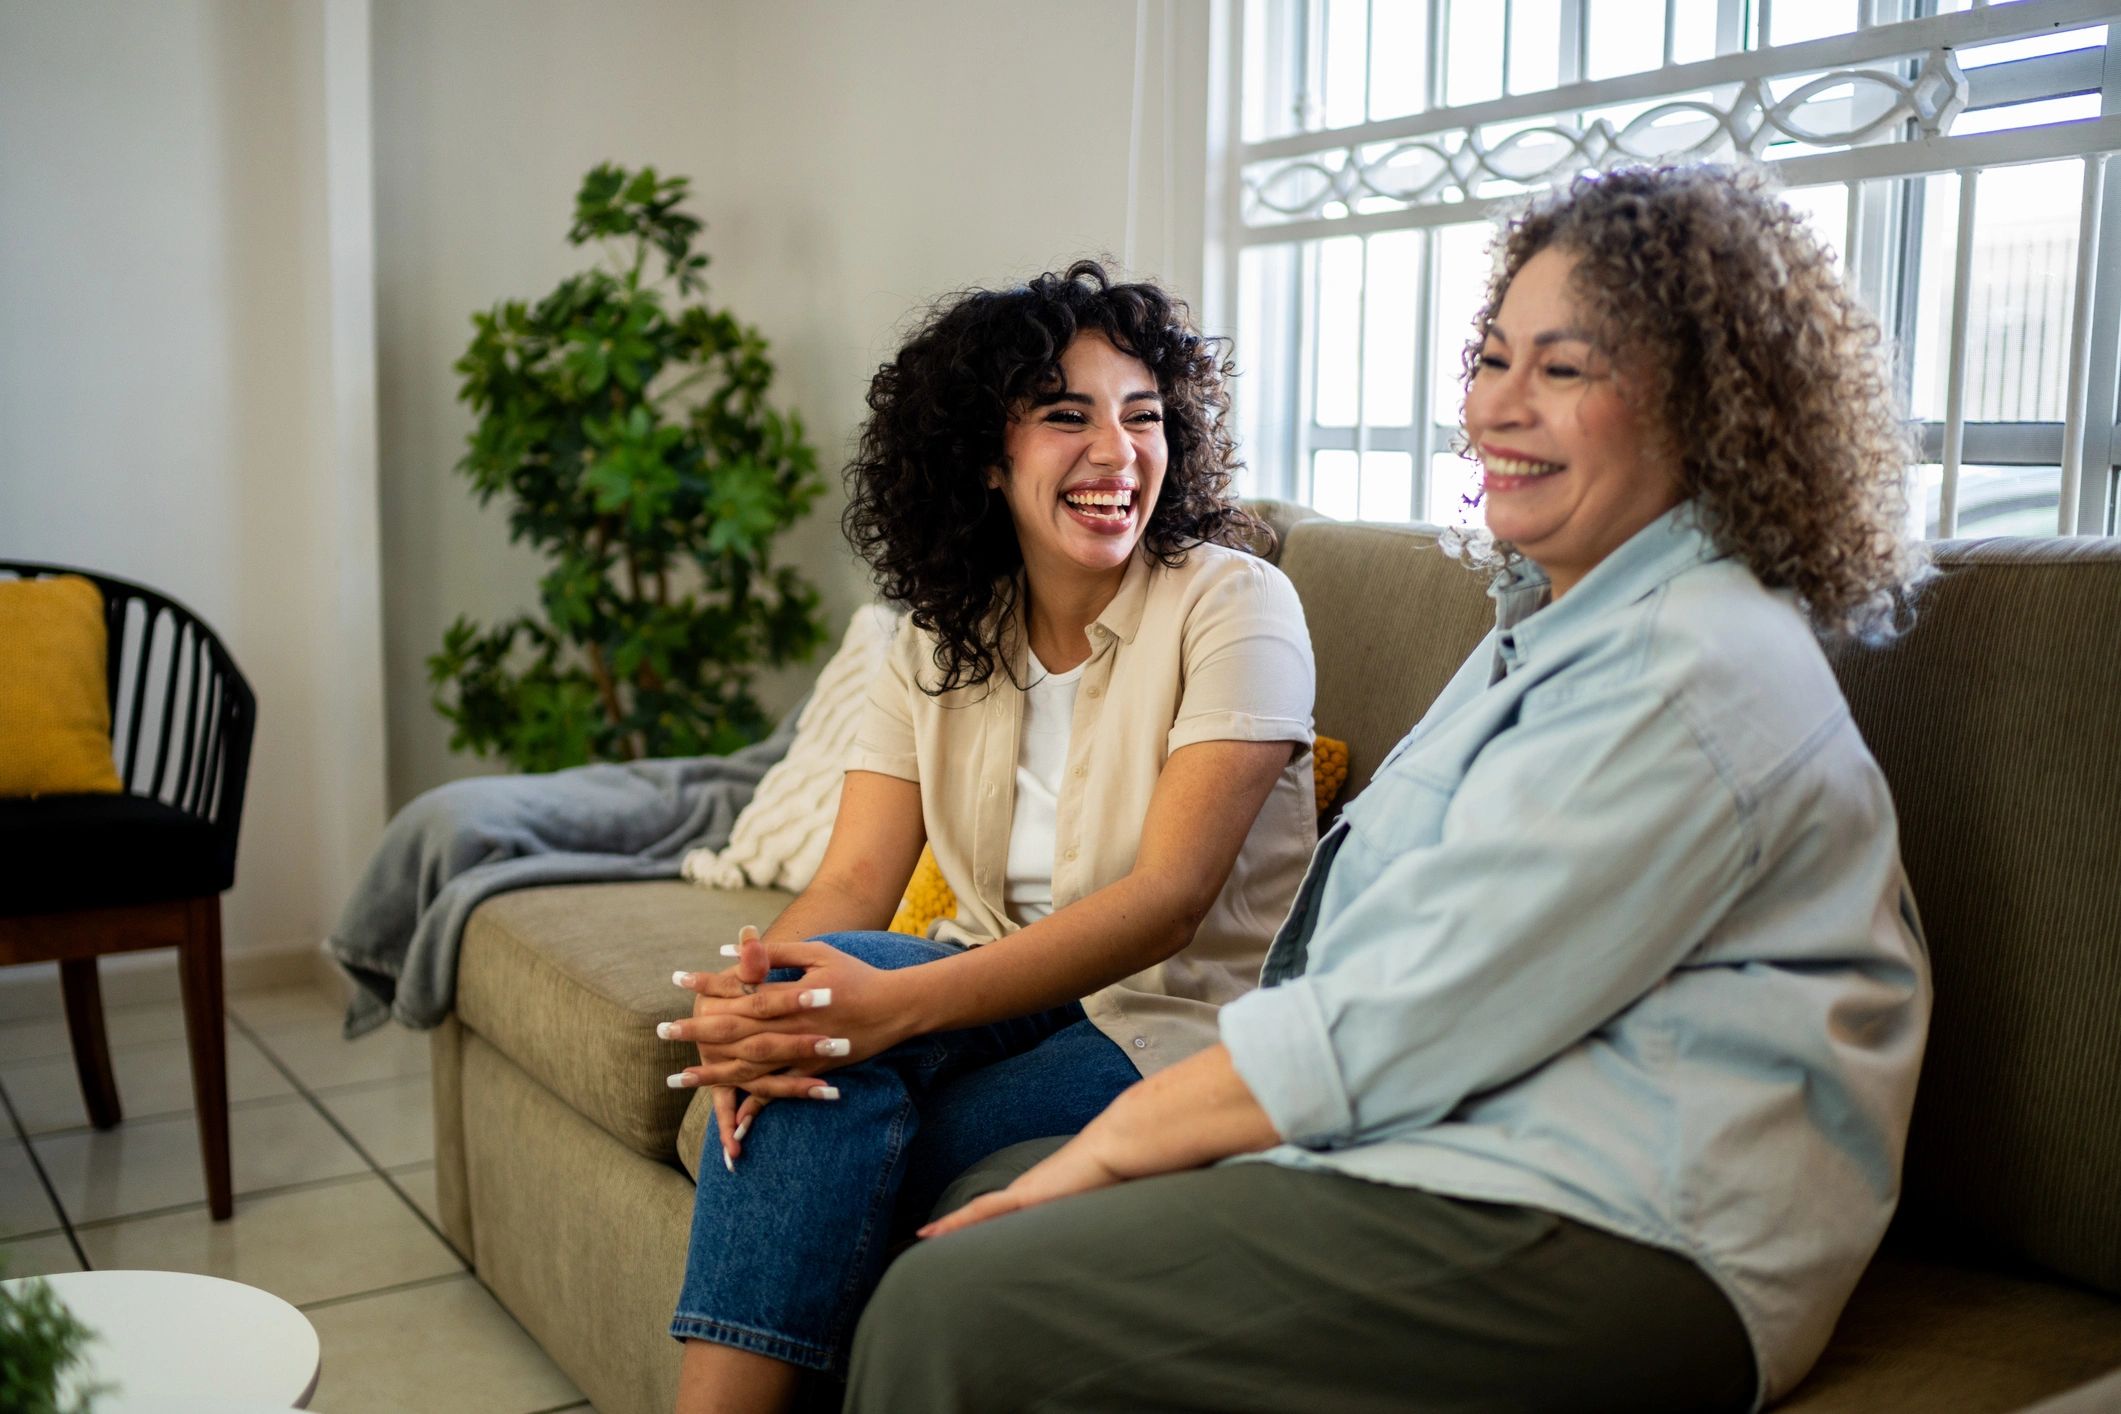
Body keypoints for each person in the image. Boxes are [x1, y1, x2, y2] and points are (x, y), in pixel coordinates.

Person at [847, 164, 1932, 1414]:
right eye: (1491, 357)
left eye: (1563, 368)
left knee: (956, 1301)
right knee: (987, 1192)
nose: (1496, 410)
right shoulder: (1550, 624)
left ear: (1709, 408)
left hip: (1632, 1224)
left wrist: (1115, 1145)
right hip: (1457, 1146)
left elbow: (1415, 1009)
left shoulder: (1688, 666)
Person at [656, 261, 1319, 1412]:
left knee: (814, 1105)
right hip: (991, 974)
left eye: (1144, 416)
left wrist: (887, 1008)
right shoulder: (933, 638)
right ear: (984, 456)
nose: (1117, 452)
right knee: (800, 1039)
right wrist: (749, 998)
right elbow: (857, 876)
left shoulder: (1235, 601)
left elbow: (1168, 899)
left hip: (1173, 1010)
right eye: (1067, 417)